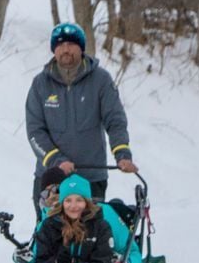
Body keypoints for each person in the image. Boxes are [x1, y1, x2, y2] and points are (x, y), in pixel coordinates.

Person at [25, 22, 138, 221]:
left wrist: (122, 154)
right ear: (54, 50)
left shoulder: (101, 80)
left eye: (71, 44)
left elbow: (115, 120)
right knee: (50, 240)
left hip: (91, 179)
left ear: (81, 48)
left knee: (89, 240)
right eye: (60, 45)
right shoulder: (40, 84)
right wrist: (57, 161)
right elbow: (35, 131)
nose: (65, 49)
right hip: (51, 181)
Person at [13, 166, 142, 263]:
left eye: (56, 189)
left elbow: (133, 252)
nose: (52, 195)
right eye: (46, 193)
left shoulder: (103, 215)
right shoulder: (46, 222)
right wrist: (24, 261)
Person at [33, 174, 113, 263]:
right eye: (68, 200)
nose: (73, 206)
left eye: (79, 200)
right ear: (62, 203)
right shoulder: (49, 226)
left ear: (87, 202)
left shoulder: (100, 227)